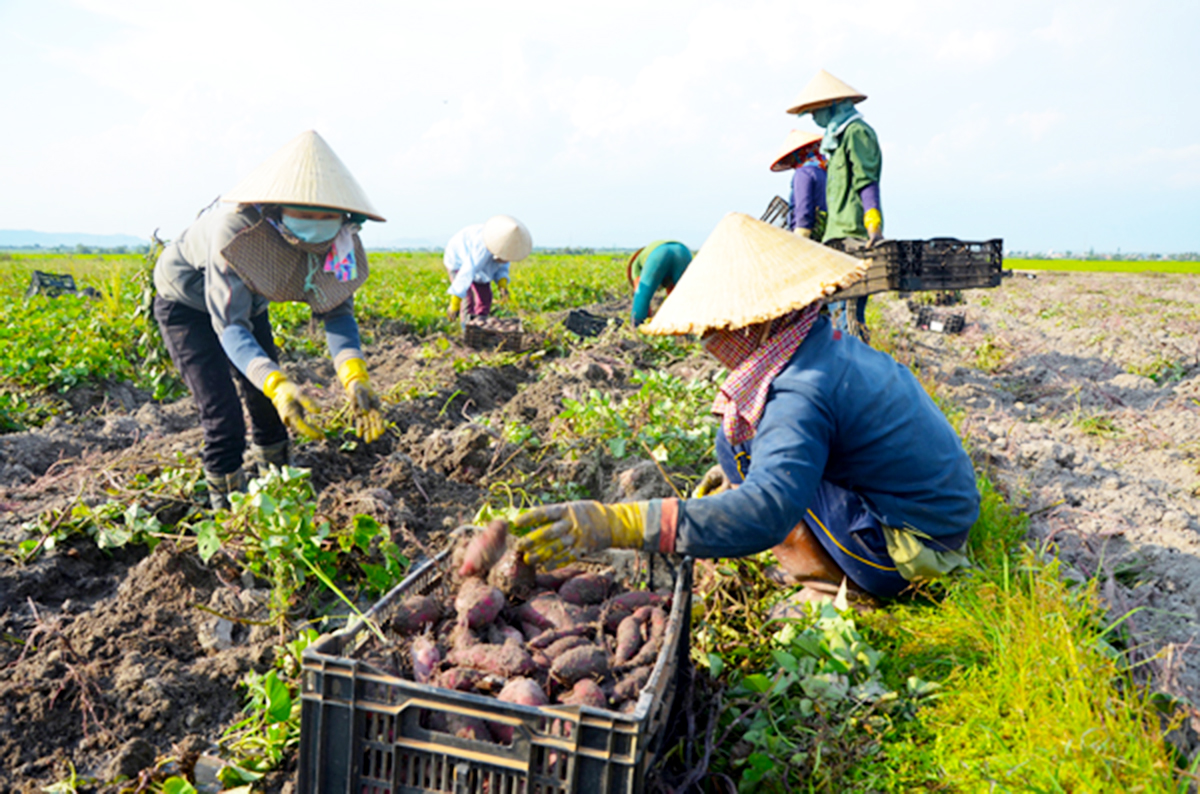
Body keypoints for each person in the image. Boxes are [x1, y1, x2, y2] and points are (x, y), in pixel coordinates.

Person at [515, 213, 979, 608]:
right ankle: (815, 554)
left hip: (909, 551)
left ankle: (830, 586)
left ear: (755, 323)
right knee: (737, 441)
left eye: (719, 328)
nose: (712, 342)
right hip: (933, 518)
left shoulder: (800, 391)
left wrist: (621, 522)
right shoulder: (818, 345)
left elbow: (766, 511)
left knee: (760, 489)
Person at [153, 130, 387, 509]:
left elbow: (337, 311)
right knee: (223, 413)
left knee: (268, 406)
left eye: (327, 214)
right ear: (278, 208)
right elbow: (230, 326)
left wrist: (355, 375)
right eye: (306, 213)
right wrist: (276, 382)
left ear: (344, 215)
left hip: (249, 306)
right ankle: (229, 510)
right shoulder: (238, 232)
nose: (318, 222)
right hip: (188, 306)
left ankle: (279, 488)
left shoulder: (340, 240)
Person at [787, 69, 884, 339]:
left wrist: (873, 224)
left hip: (853, 235)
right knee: (838, 316)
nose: (814, 118)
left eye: (815, 111)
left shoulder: (857, 132)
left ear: (831, 105)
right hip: (834, 235)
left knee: (848, 317)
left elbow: (866, 179)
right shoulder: (835, 142)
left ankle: (857, 373)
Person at [443, 216, 532, 322]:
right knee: (467, 300)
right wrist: (455, 301)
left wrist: (502, 283)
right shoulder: (482, 249)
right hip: (459, 260)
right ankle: (466, 329)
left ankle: (479, 324)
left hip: (477, 266)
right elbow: (467, 272)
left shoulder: (507, 246)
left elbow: (502, 266)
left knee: (486, 297)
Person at [769, 129, 827, 240]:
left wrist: (801, 235)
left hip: (812, 235)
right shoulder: (824, 171)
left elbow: (803, 208)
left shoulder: (803, 173)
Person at [626, 241, 693, 327]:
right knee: (686, 296)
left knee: (643, 295)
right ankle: (692, 329)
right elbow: (672, 293)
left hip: (659, 254)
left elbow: (639, 290)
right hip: (683, 252)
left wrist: (644, 315)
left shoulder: (635, 265)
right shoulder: (647, 253)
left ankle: (637, 329)